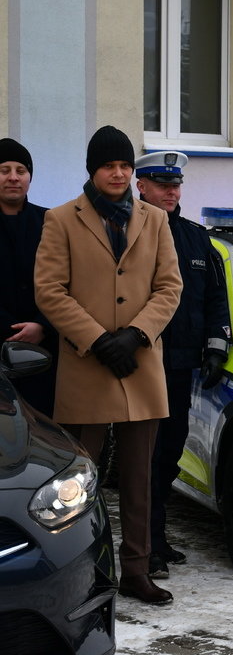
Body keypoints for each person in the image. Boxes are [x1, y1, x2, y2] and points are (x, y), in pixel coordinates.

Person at [34, 125, 183, 605]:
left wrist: (136, 335)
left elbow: (169, 287)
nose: (118, 173)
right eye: (108, 166)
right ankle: (77, 571)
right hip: (87, 366)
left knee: (139, 479)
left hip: (139, 365)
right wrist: (98, 340)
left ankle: (136, 569)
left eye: (124, 165)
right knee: (77, 482)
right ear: (92, 171)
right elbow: (49, 291)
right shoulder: (61, 219)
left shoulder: (155, 221)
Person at [133, 152, 231, 579]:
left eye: (176, 185)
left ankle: (157, 538)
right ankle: (145, 546)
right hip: (137, 365)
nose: (171, 191)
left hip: (178, 369)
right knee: (145, 459)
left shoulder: (194, 237)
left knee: (169, 456)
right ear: (141, 186)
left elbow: (214, 298)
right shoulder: (126, 231)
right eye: (161, 183)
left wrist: (215, 347)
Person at [0, 138, 57, 417]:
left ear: (30, 177)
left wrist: (43, 325)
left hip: (44, 358)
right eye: (4, 170)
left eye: (21, 170)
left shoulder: (51, 222)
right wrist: (11, 330)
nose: (13, 177)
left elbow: (68, 282)